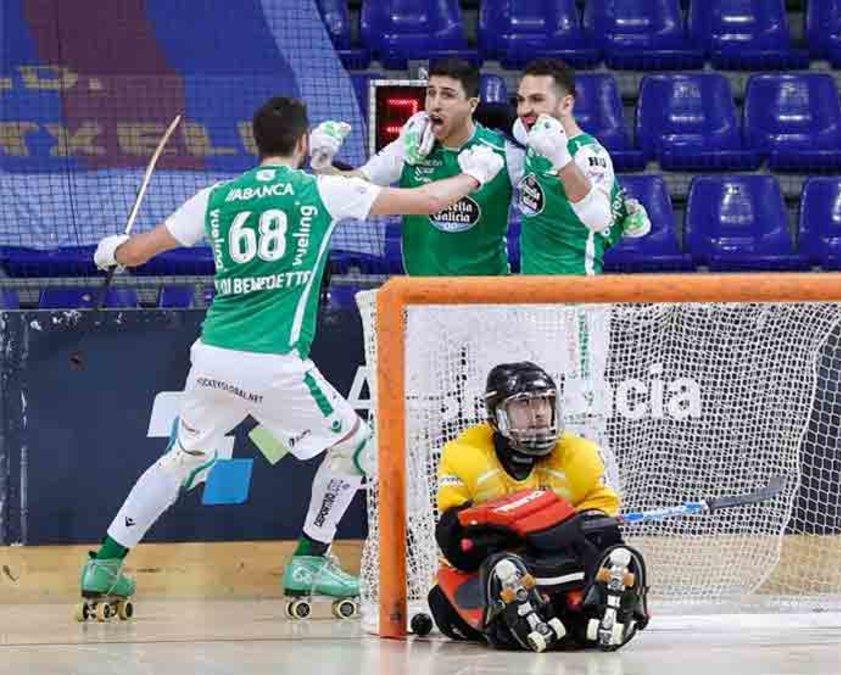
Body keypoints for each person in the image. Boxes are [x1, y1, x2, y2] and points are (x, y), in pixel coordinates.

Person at [77, 96, 504, 622]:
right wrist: (476, 176)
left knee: (183, 459)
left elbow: (140, 252)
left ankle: (105, 564)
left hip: (212, 357)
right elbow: (429, 200)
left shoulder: (217, 196)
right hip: (274, 363)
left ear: (255, 143)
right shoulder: (321, 191)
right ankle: (309, 561)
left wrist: (111, 250)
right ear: (304, 143)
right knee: (359, 446)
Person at [428, 362, 649, 651]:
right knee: (445, 603)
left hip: (562, 564)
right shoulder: (465, 455)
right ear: (497, 416)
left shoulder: (581, 455)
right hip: (498, 562)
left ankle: (591, 618)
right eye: (525, 405)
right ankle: (552, 622)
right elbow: (456, 545)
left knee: (614, 555)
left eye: (545, 403)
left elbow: (604, 533)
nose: (539, 414)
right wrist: (515, 526)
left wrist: (570, 527)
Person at [309, 58, 521, 276]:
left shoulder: (503, 153)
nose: (435, 103)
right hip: (421, 294)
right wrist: (323, 165)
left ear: (472, 104)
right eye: (431, 93)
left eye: (447, 95)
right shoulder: (409, 147)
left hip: (488, 294)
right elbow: (356, 183)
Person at [512, 58, 649, 275]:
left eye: (537, 100)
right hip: (531, 292)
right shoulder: (529, 131)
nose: (524, 110)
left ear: (566, 104)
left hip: (576, 294)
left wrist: (560, 158)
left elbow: (599, 219)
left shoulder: (589, 154)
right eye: (520, 100)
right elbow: (507, 120)